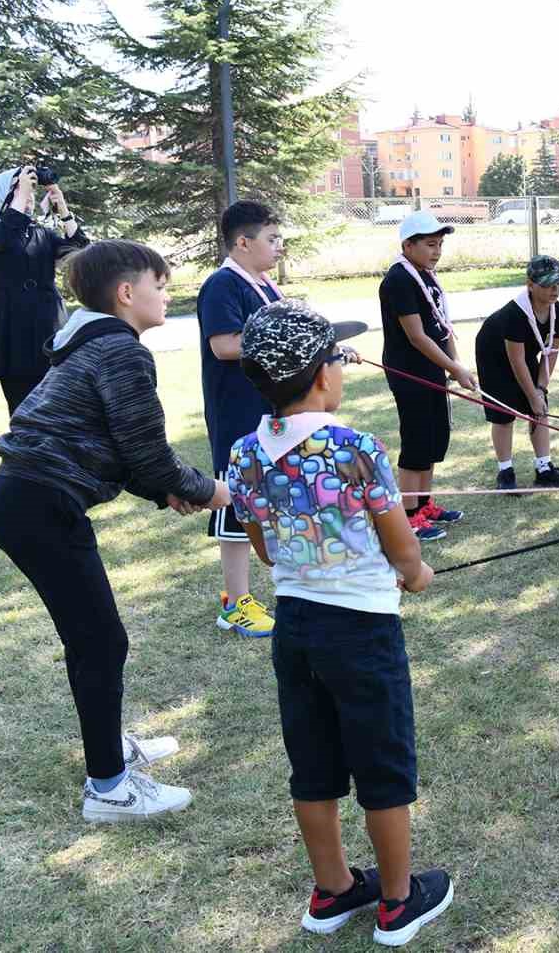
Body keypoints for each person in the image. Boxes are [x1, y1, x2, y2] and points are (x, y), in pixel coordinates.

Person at [228, 300, 453, 945]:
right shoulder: (355, 447)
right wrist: (415, 572)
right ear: (323, 374)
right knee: (383, 765)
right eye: (338, 357)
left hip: (295, 630)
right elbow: (400, 542)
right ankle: (397, 902)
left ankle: (332, 890)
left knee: (314, 763)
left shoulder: (244, 453)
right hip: (362, 633)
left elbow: (264, 549)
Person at [0, 239, 230, 822]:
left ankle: (108, 748)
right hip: (40, 505)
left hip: (28, 501)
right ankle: (109, 788)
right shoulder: (120, 350)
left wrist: (165, 490)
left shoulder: (93, 343)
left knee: (92, 638)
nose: (167, 295)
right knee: (100, 641)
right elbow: (148, 453)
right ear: (125, 293)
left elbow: (119, 449)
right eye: (159, 285)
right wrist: (207, 490)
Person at [197, 200, 286, 637]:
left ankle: (281, 590)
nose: (280, 246)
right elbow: (225, 346)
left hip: (271, 409)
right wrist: (284, 342)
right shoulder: (222, 284)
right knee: (237, 503)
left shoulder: (264, 283)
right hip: (238, 412)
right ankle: (235, 604)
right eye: (272, 239)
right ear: (243, 243)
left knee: (273, 496)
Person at [379, 211, 478, 539]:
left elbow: (442, 326)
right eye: (430, 245)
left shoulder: (425, 275)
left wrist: (456, 363)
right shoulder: (398, 280)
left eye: (440, 245)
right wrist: (454, 368)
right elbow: (417, 336)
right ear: (408, 245)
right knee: (417, 442)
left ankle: (424, 504)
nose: (437, 251)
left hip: (433, 369)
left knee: (435, 438)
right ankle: (409, 516)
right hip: (410, 374)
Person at [0, 165, 90, 414]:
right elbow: (5, 237)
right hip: (14, 329)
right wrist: (21, 192)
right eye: (20, 191)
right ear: (3, 195)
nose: (29, 196)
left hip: (50, 324)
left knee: (62, 406)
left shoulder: (42, 234)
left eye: (30, 191)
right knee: (24, 408)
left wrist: (63, 209)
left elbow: (80, 252)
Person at [476, 255, 559, 492]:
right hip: (494, 357)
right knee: (504, 414)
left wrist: (540, 389)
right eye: (547, 284)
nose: (555, 289)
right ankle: (505, 472)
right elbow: (516, 361)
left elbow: (551, 352)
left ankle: (544, 469)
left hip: (525, 355)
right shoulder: (514, 314)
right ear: (530, 285)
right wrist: (531, 396)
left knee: (540, 408)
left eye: (558, 283)